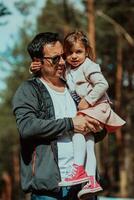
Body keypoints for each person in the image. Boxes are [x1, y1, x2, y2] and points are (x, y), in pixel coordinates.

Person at [30, 31, 125, 199]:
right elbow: (50, 70)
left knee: (77, 130)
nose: (74, 56)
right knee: (88, 143)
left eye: (78, 52)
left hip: (96, 106)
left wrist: (88, 100)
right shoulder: (68, 68)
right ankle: (91, 180)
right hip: (90, 109)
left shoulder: (89, 65)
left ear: (86, 51)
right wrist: (33, 69)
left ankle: (79, 169)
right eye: (69, 52)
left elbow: (103, 84)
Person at [12, 32, 106, 200]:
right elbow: (27, 127)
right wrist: (70, 124)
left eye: (63, 56)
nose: (63, 62)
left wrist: (98, 126)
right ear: (37, 61)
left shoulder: (74, 88)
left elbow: (94, 129)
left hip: (84, 189)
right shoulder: (29, 90)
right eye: (55, 59)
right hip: (50, 190)